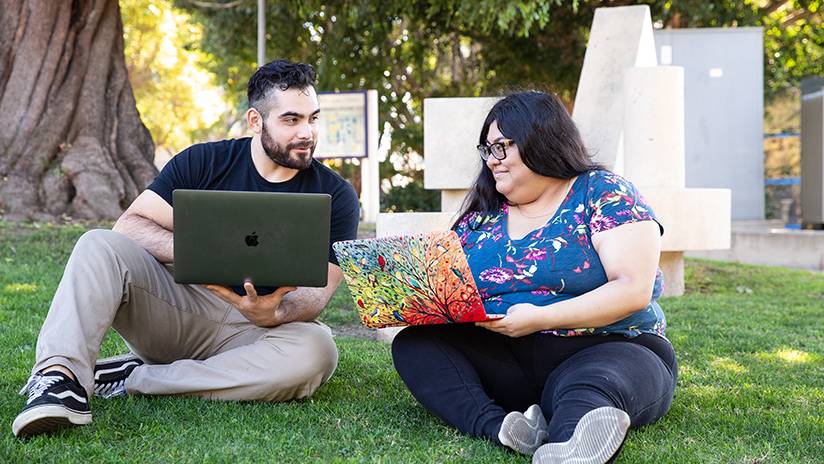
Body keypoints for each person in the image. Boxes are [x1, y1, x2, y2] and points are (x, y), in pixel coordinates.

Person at [12, 59, 360, 438]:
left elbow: (319, 293)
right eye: (291, 120)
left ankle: (137, 378)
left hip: (256, 333)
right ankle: (58, 379)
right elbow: (129, 226)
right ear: (256, 122)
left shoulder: (337, 196)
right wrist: (201, 247)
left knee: (318, 350)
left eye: (313, 119)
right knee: (98, 244)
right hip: (182, 308)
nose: (307, 132)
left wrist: (275, 312)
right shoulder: (204, 163)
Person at [391, 91, 677, 464]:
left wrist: (539, 318)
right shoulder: (482, 215)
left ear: (540, 140)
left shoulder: (603, 192)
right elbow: (451, 289)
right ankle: (505, 428)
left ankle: (573, 444)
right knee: (415, 344)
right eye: (487, 150)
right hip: (509, 358)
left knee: (589, 385)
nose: (492, 161)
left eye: (501, 147)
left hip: (606, 346)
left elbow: (633, 289)